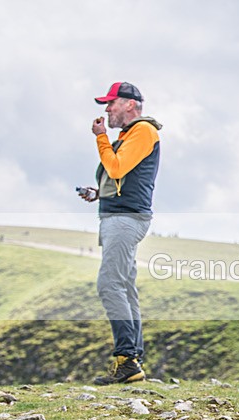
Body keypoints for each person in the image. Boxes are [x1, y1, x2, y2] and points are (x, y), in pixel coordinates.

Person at [78, 82, 162, 385]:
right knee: (125, 287)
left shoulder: (142, 131)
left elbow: (115, 169)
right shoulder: (130, 136)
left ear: (130, 104)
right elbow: (122, 178)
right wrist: (98, 193)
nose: (107, 109)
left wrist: (101, 138)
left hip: (124, 220)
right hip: (120, 216)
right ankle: (131, 361)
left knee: (109, 284)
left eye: (111, 103)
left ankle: (126, 359)